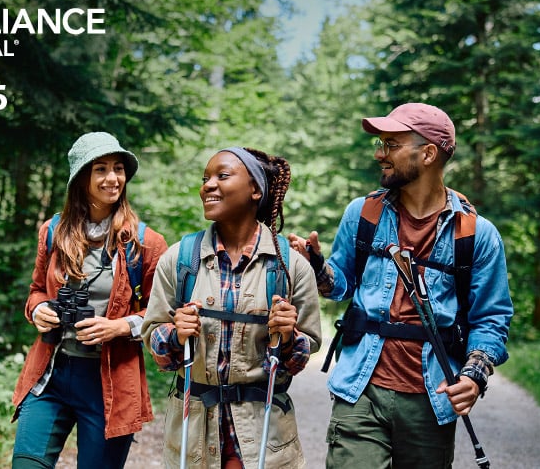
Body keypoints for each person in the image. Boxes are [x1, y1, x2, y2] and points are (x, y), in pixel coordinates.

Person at [289, 102, 513, 469]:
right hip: (360, 388)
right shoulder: (363, 213)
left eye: (391, 144)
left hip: (431, 398)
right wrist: (315, 267)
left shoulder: (476, 234)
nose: (380, 154)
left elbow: (491, 319)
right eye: (380, 144)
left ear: (427, 153)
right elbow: (341, 285)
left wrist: (474, 376)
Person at [142, 147, 322, 468]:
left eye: (222, 176)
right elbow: (157, 347)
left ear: (255, 190)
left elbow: (299, 359)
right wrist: (174, 335)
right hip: (193, 436)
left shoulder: (290, 267)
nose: (208, 185)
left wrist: (288, 336)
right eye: (205, 178)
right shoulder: (181, 259)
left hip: (263, 440)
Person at [11, 131, 168, 469]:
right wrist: (38, 309)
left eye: (118, 169)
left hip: (109, 382)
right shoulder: (53, 232)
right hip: (51, 374)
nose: (113, 178)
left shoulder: (146, 244)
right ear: (81, 178)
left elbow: (164, 314)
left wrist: (118, 327)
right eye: (100, 169)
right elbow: (36, 290)